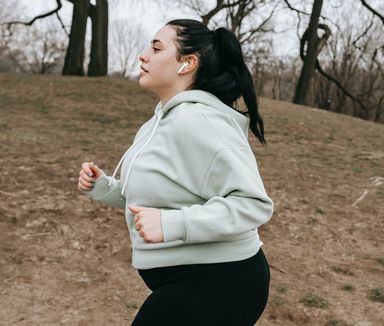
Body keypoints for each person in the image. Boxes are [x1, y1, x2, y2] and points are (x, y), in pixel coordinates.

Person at [77, 19, 274, 325]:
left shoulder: (200, 121)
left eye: (156, 48)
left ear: (187, 64)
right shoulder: (161, 120)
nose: (143, 55)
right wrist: (103, 187)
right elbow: (161, 196)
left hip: (223, 281)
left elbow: (253, 204)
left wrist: (173, 224)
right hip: (190, 278)